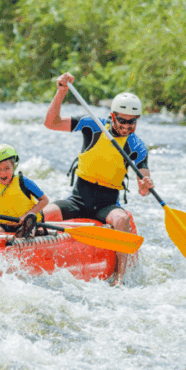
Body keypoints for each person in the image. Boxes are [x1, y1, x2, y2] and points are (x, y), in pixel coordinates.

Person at [42, 72, 155, 285]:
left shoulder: (137, 146)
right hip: (77, 199)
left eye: (132, 122)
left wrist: (146, 185)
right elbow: (51, 122)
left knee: (121, 219)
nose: (127, 127)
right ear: (113, 117)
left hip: (107, 204)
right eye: (122, 121)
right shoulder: (93, 125)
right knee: (42, 215)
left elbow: (144, 187)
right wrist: (61, 92)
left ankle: (120, 278)